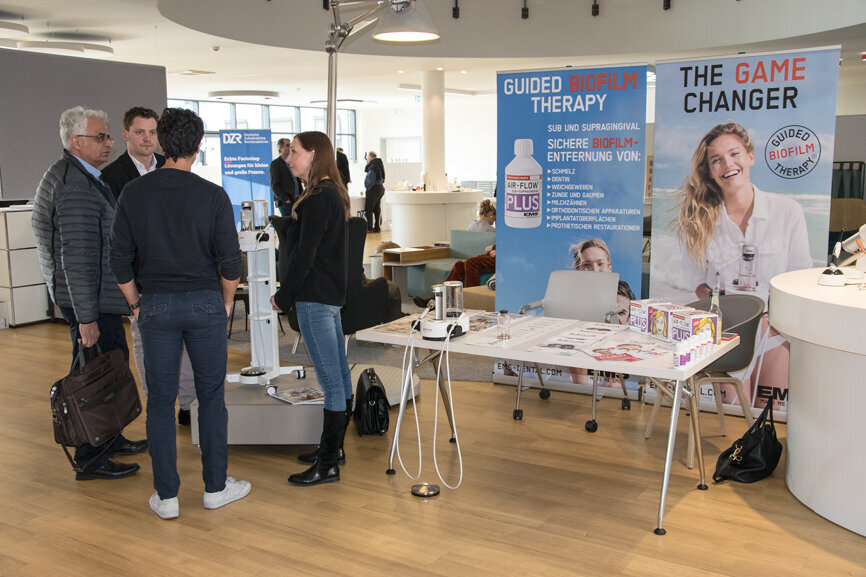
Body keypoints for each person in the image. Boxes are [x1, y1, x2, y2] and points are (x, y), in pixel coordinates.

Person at [109, 108, 249, 520]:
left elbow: (119, 261)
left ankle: (167, 497)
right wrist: (225, 303)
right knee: (210, 398)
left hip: (156, 305)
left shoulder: (134, 193)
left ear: (163, 142)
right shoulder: (213, 195)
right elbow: (230, 264)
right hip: (205, 302)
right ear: (199, 145)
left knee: (161, 402)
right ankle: (215, 488)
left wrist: (136, 304)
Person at [31, 106, 146, 481]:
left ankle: (108, 438)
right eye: (101, 137)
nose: (109, 142)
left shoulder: (78, 176)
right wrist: (86, 318)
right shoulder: (74, 185)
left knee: (109, 370)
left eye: (109, 136)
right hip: (90, 301)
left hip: (95, 298)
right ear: (76, 141)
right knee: (92, 377)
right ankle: (91, 455)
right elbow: (77, 256)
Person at [674, 120, 812, 408]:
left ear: (750, 155)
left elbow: (800, 280)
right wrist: (720, 300)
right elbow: (696, 284)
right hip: (726, 335)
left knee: (770, 418)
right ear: (709, 171)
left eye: (734, 154)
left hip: (775, 333)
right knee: (736, 418)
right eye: (717, 160)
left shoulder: (788, 212)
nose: (728, 164)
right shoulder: (698, 222)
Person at [102, 106, 196, 427]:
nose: (147, 138)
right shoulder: (113, 178)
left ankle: (187, 405)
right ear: (126, 134)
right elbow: (117, 239)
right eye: (140, 132)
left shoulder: (173, 169)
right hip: (140, 282)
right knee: (148, 347)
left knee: (185, 347)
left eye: (152, 132)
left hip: (178, 278)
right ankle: (159, 406)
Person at [271, 131, 353, 487]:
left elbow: (305, 257)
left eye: (296, 153)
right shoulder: (330, 194)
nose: (289, 159)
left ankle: (328, 464)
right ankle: (332, 450)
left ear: (314, 155)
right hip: (329, 297)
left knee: (332, 381)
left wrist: (283, 297)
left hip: (315, 298)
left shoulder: (318, 198)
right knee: (339, 376)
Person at [270, 137, 303, 217]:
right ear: (280, 148)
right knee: (289, 225)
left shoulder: (293, 161)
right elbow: (275, 185)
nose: (290, 148)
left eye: (290, 145)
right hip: (286, 202)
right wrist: (285, 199)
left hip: (297, 199)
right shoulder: (276, 164)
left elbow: (297, 180)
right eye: (287, 145)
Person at [363, 150, 385, 232]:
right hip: (380, 188)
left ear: (370, 157)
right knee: (376, 208)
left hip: (374, 189)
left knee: (368, 208)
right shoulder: (379, 164)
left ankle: (369, 227)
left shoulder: (373, 166)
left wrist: (367, 187)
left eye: (368, 157)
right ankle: (377, 227)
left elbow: (371, 178)